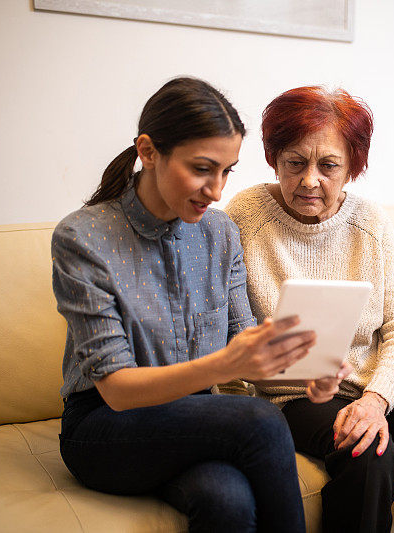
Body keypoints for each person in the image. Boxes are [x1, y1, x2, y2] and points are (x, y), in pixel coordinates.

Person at [52, 77, 349, 533]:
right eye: (202, 168)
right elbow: (116, 389)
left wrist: (309, 370)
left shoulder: (220, 234)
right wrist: (222, 366)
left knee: (225, 501)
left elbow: (242, 344)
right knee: (261, 419)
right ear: (148, 151)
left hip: (194, 418)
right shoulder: (84, 238)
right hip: (104, 427)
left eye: (227, 171)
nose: (216, 190)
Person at [227, 86, 394, 533]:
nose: (310, 180)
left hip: (381, 373)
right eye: (295, 162)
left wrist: (377, 398)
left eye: (328, 165)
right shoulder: (245, 219)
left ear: (353, 167)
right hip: (298, 390)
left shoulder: (370, 223)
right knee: (369, 459)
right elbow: (236, 338)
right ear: (274, 158)